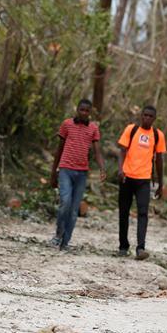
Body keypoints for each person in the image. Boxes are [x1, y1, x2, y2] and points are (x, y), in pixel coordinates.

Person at [49, 99, 106, 251]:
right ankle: (58, 234)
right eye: (82, 110)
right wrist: (53, 173)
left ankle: (65, 242)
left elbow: (97, 151)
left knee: (74, 210)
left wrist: (102, 169)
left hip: (82, 173)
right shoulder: (67, 124)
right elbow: (59, 149)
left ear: (90, 113)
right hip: (66, 169)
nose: (84, 113)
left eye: (87, 111)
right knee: (65, 202)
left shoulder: (93, 129)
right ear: (77, 110)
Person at [116, 105, 166, 260]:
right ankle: (123, 246)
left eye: (150, 116)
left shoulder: (158, 135)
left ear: (154, 119)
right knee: (123, 212)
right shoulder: (131, 130)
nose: (147, 118)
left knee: (143, 213)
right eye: (145, 115)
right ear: (141, 116)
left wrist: (160, 182)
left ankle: (140, 248)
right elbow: (122, 151)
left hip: (144, 180)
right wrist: (120, 170)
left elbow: (159, 160)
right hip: (127, 178)